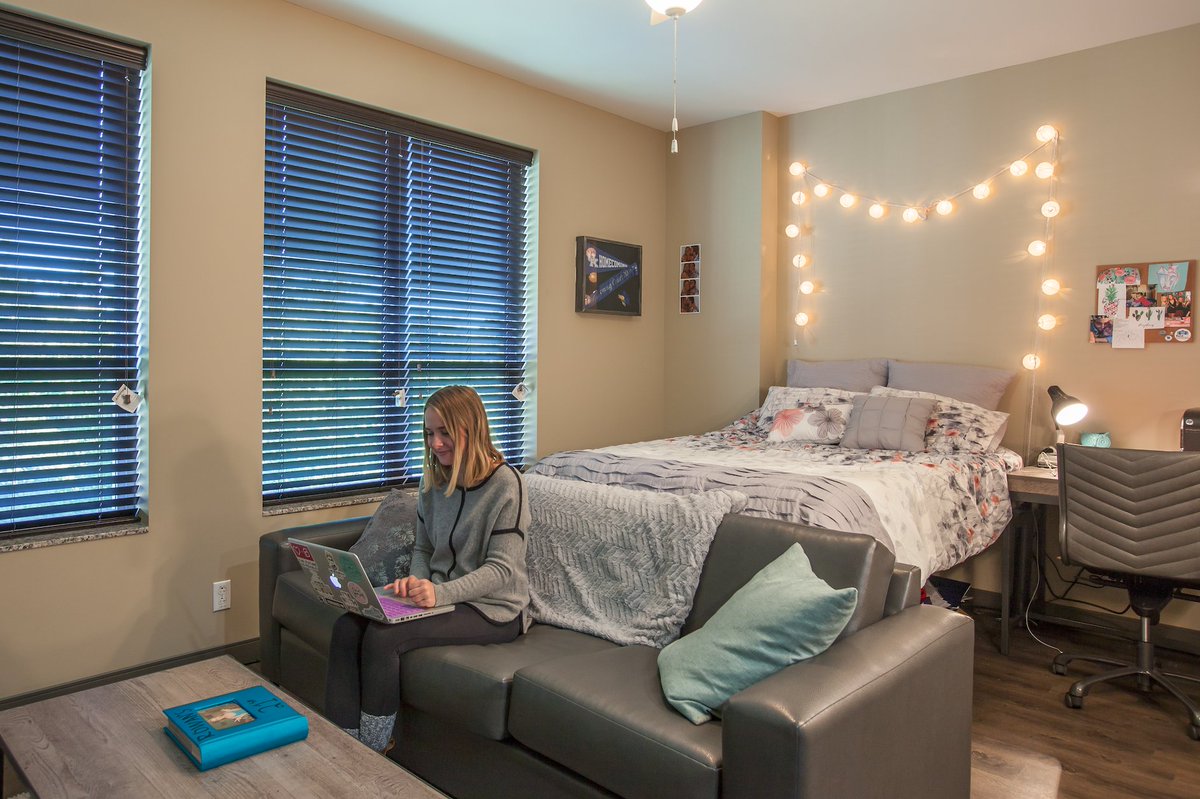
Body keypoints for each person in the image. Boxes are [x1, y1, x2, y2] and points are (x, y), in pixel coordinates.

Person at [323, 385, 530, 752]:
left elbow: (502, 570)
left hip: (492, 609)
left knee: (383, 637)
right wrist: (418, 581)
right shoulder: (432, 482)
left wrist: (440, 592)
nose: (435, 443)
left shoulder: (506, 484)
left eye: (445, 432)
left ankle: (372, 751)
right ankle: (342, 744)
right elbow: (424, 547)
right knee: (347, 625)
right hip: (440, 597)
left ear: (472, 428)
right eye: (429, 433)